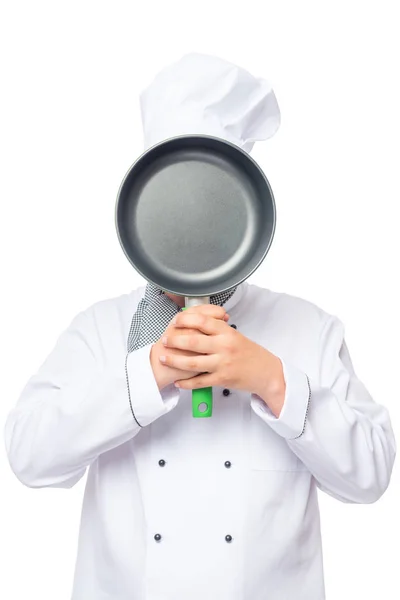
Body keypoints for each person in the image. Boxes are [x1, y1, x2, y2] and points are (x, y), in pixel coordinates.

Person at [4, 53, 396, 600]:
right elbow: (28, 457)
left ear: (241, 214)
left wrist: (274, 381)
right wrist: (148, 372)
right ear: (145, 211)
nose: (190, 222)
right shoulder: (99, 329)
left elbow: (371, 478)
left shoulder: (309, 328)